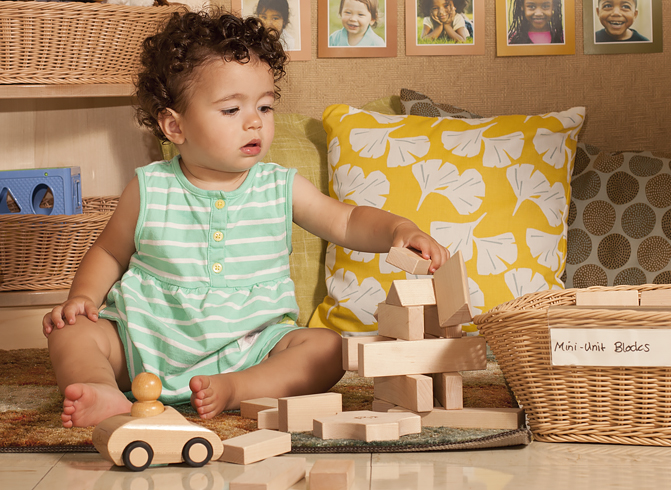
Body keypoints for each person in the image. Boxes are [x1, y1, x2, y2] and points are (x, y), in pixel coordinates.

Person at [43, 8, 449, 429]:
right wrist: (84, 301)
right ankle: (101, 389)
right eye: (231, 109)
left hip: (251, 345)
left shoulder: (279, 186)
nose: (255, 121)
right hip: (144, 342)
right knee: (70, 334)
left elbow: (346, 222)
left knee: (328, 349)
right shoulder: (150, 188)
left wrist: (399, 230)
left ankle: (238, 386)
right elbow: (109, 252)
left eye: (265, 106)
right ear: (174, 126)